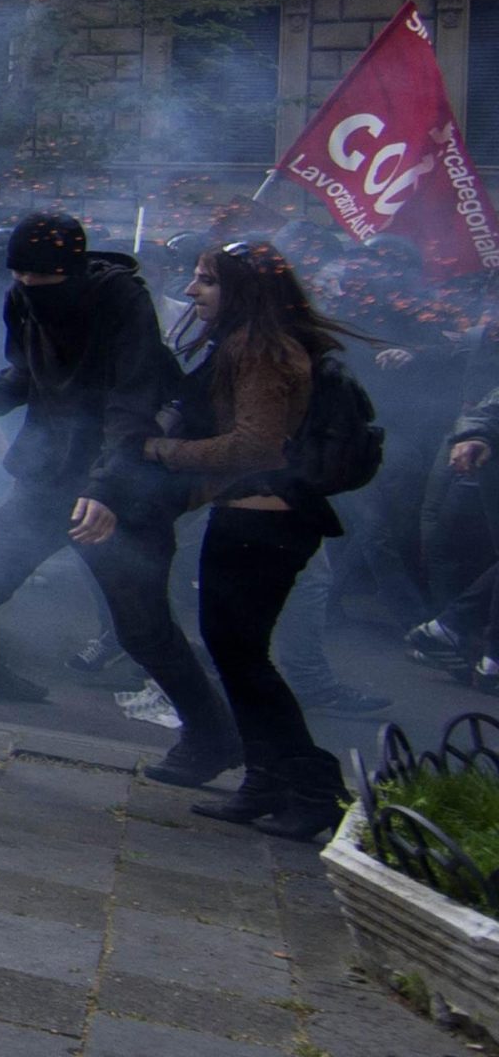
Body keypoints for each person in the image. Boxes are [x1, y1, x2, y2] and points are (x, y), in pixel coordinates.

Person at [0, 214, 239, 776]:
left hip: (119, 491)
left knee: (142, 627)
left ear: (70, 271)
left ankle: (212, 739)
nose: (29, 288)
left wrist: (106, 489)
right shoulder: (22, 298)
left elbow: (132, 401)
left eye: (41, 279)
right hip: (45, 479)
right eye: (19, 277)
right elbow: (26, 374)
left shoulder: (121, 301)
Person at [139, 241, 355, 839]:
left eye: (206, 280)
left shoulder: (259, 350)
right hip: (258, 517)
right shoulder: (258, 343)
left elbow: (255, 446)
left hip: (261, 522)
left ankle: (315, 788)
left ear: (243, 291)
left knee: (243, 658)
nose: (192, 291)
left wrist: (164, 451)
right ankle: (265, 779)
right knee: (238, 654)